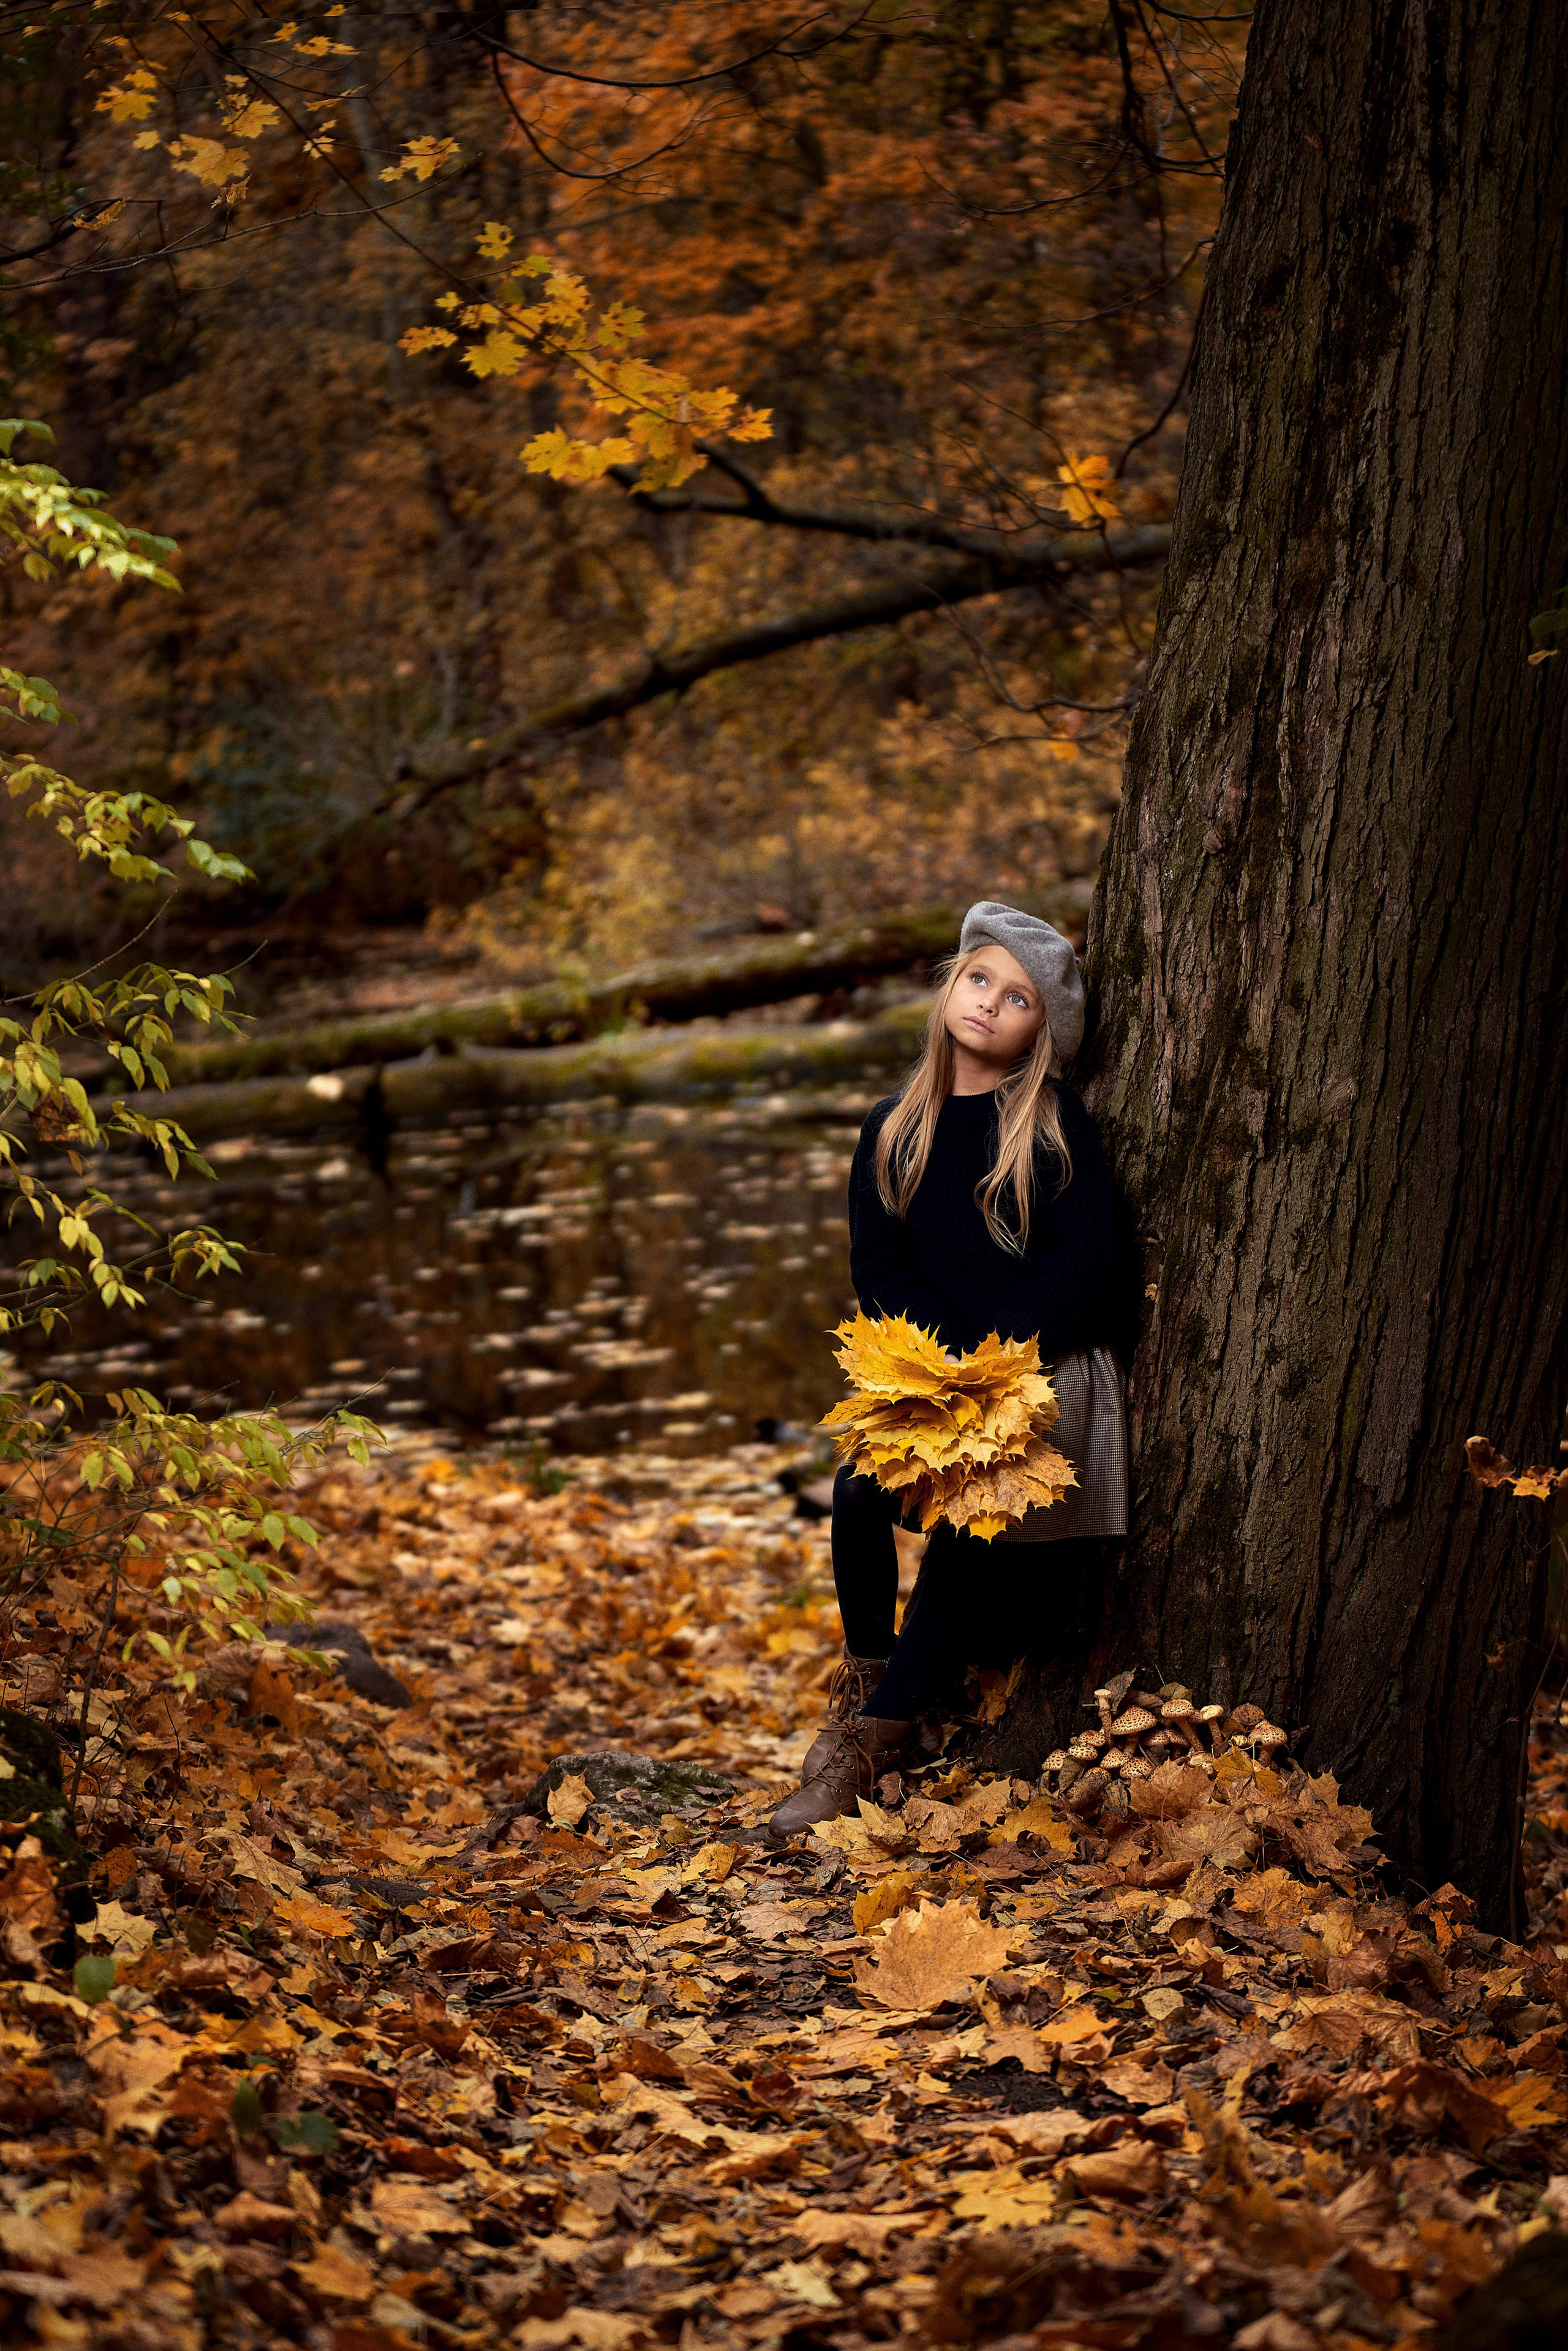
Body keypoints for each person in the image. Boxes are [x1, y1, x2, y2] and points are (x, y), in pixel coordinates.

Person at [767, 900, 1127, 1842]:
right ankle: (868, 1677)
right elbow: (880, 1272)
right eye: (979, 979)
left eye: (1018, 1000)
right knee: (853, 1490)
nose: (989, 1004)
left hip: (1038, 1383)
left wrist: (999, 1359)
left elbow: (1084, 1257)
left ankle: (872, 1741)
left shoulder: (1049, 1124)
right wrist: (942, 1372)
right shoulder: (894, 1128)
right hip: (938, 1385)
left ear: (1040, 1033)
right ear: (949, 987)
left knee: (970, 1525)